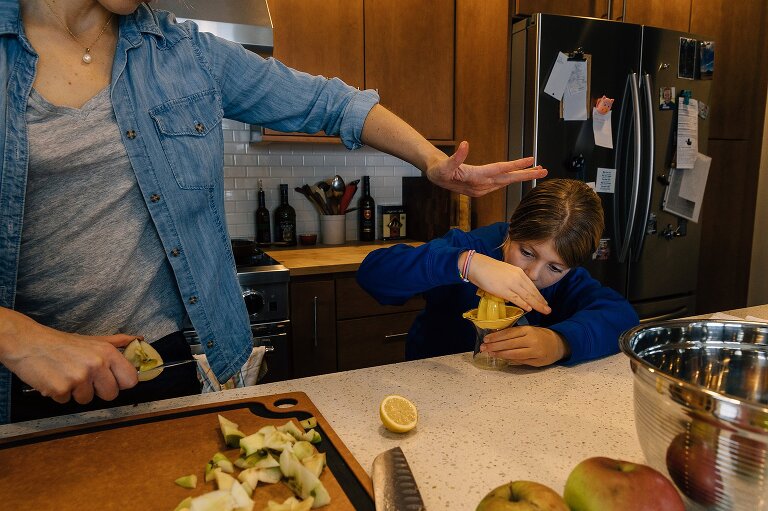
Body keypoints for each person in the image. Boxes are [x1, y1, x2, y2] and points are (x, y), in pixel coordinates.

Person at [0, 0, 546, 423]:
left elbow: (332, 103)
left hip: (174, 365)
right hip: (20, 381)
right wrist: (21, 338)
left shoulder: (185, 52)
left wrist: (433, 163)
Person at [357, 179, 639, 366]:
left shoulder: (565, 281)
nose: (532, 274)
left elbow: (621, 316)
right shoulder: (470, 247)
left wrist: (561, 342)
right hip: (438, 387)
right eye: (527, 252)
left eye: (554, 267)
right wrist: (465, 265)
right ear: (512, 228)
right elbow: (372, 273)